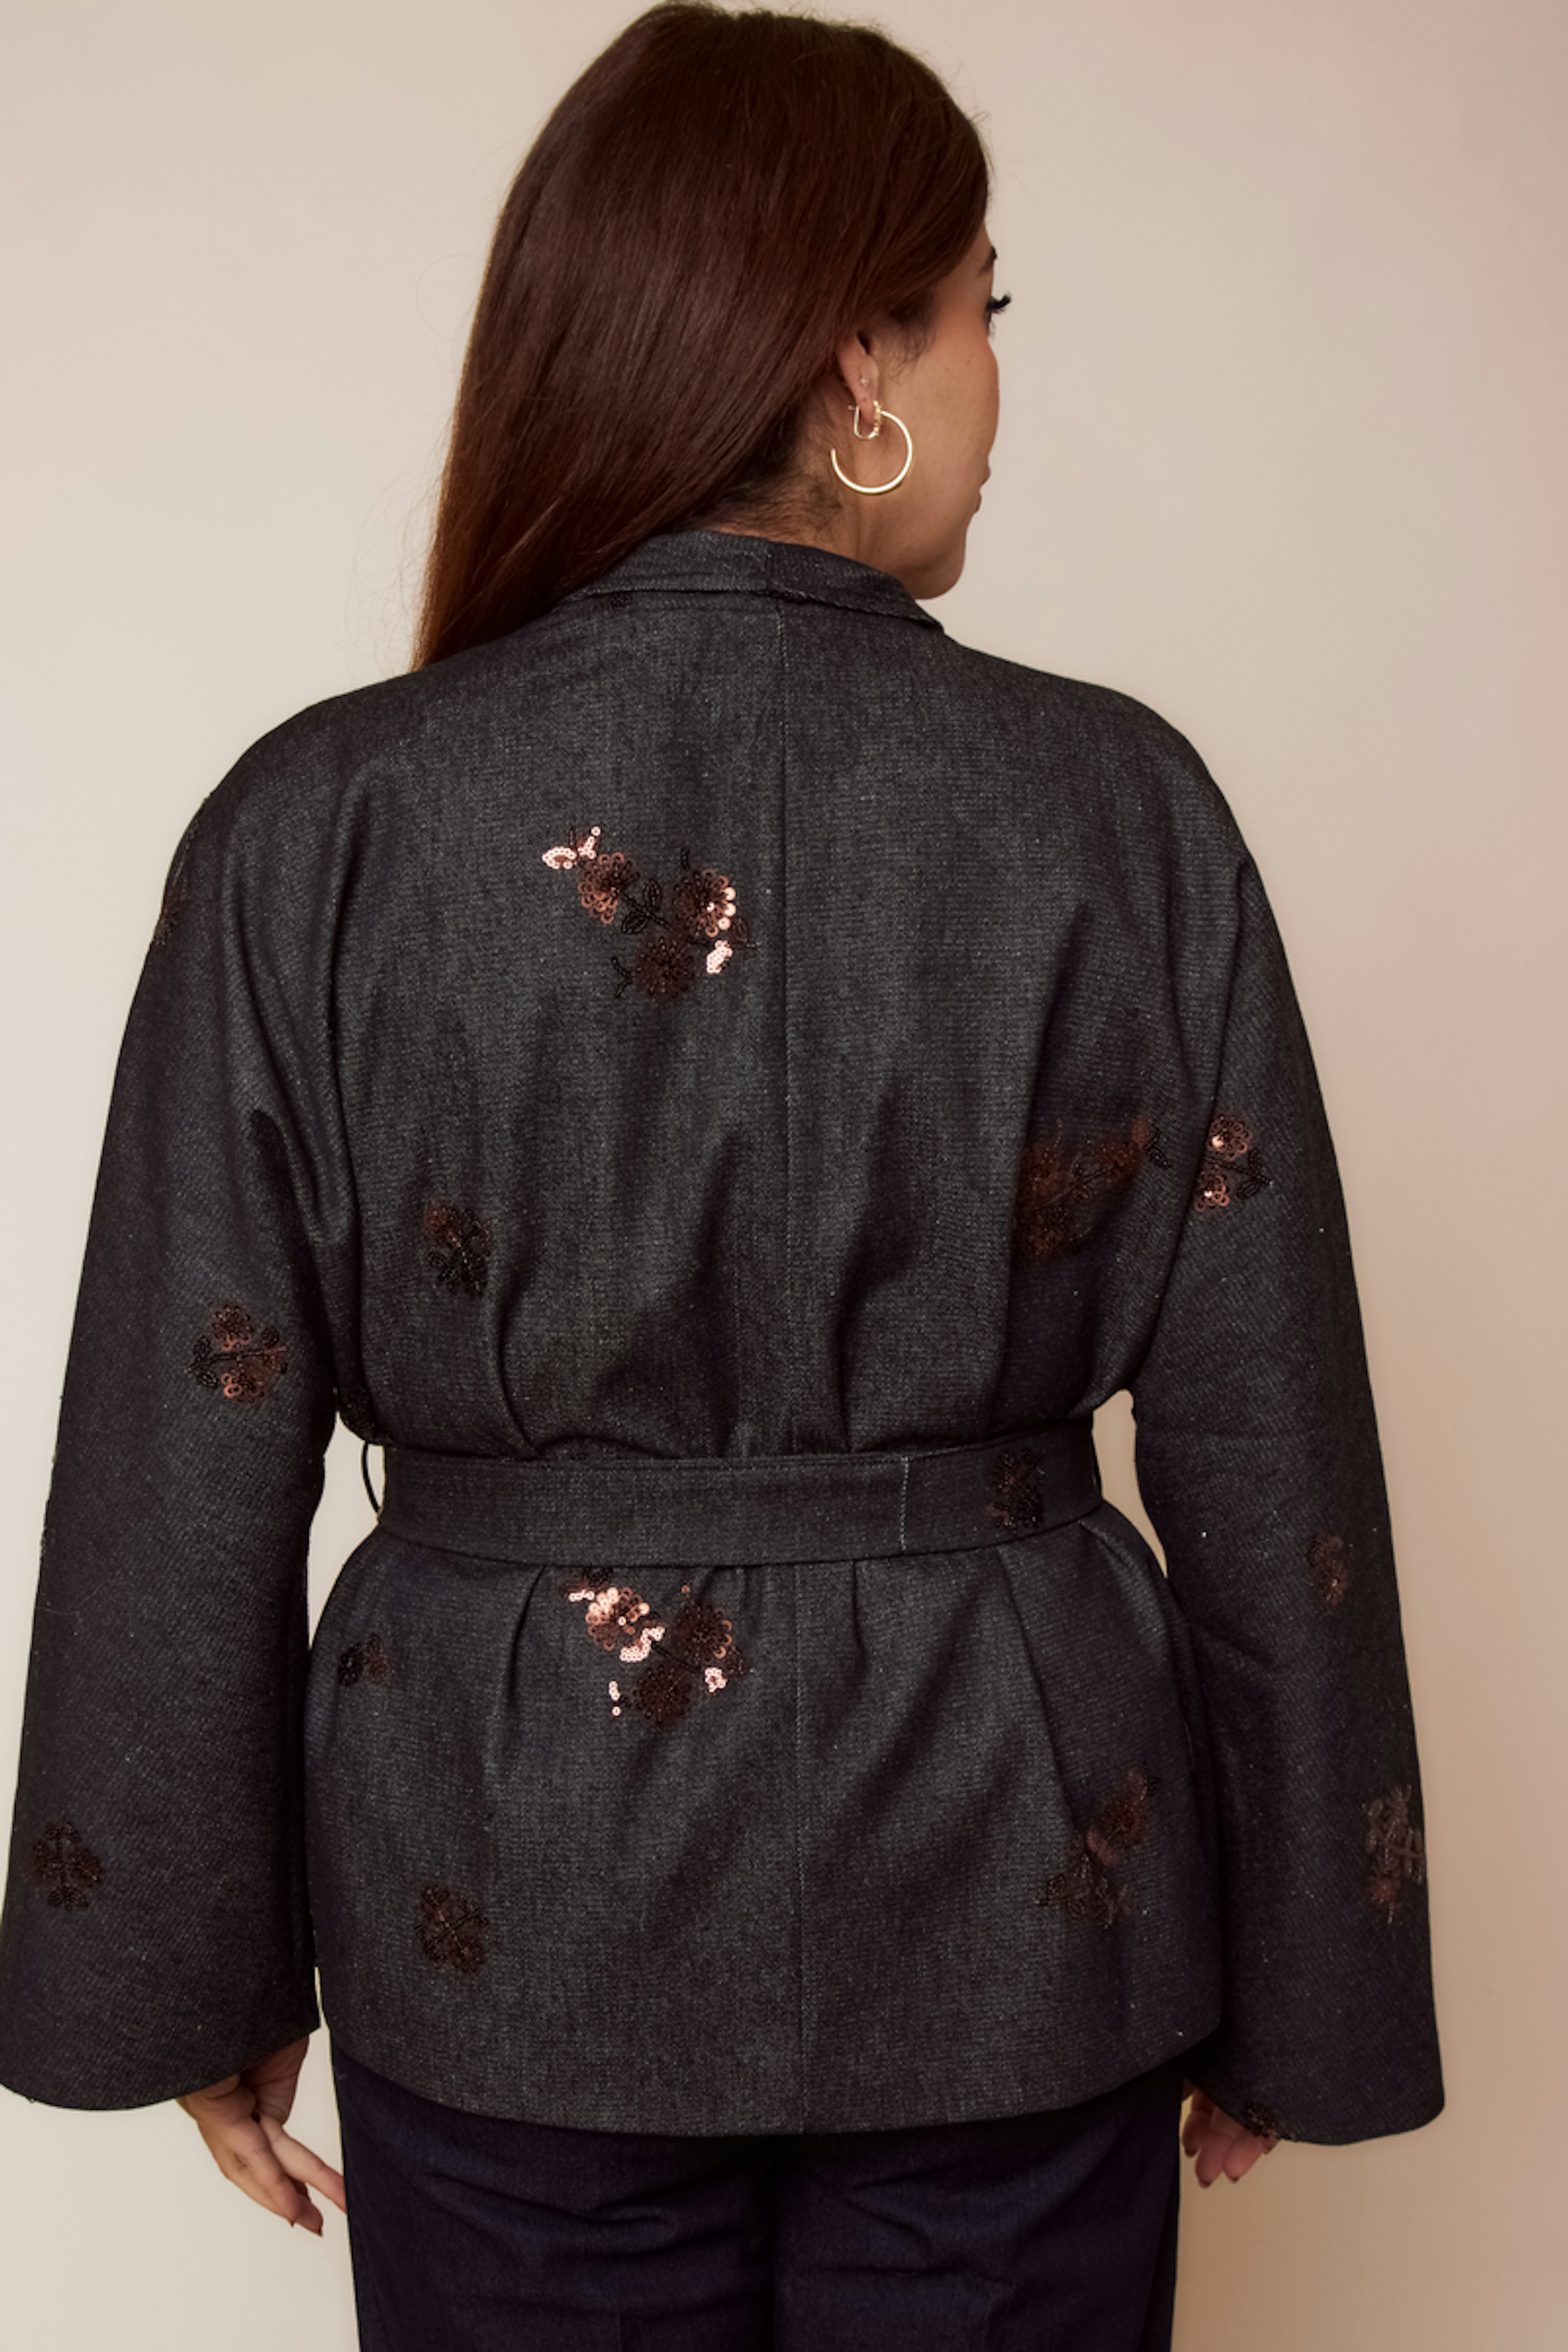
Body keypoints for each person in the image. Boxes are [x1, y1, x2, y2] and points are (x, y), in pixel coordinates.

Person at [0, 4, 1442, 2345]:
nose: (1000, 383)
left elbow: (190, 1427)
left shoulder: (321, 826)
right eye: (983, 311)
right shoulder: (1120, 810)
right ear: (862, 350)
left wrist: (186, 1967)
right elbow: (1270, 1442)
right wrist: (1312, 1981)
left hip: (510, 1887)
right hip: (1020, 1878)